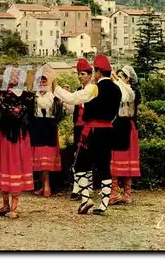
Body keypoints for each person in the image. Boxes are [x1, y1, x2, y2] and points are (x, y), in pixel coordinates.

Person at [52, 55, 122, 215]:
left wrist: (55, 87)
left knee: (80, 166)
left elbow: (72, 98)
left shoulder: (94, 88)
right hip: (108, 130)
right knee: (104, 166)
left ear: (97, 73)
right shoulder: (117, 88)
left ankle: (86, 198)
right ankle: (104, 203)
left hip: (92, 132)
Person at [0, 68, 35, 218]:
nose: (14, 77)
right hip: (5, 136)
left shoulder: (28, 96)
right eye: (11, 75)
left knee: (17, 166)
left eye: (17, 75)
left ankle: (14, 207)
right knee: (5, 166)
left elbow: (30, 117)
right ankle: (5, 204)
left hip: (20, 136)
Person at [109, 65, 141, 205]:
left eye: (121, 77)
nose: (117, 80)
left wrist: (117, 81)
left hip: (127, 126)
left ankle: (127, 193)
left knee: (126, 161)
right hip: (116, 126)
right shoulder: (117, 91)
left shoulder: (133, 92)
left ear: (128, 79)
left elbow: (127, 97)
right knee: (113, 159)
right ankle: (114, 191)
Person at [64, 59, 94, 201]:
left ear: (89, 75)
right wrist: (65, 100)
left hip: (89, 128)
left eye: (82, 74)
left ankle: (86, 187)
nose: (80, 76)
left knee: (85, 156)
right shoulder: (78, 91)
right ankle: (78, 186)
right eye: (78, 74)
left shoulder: (93, 90)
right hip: (78, 126)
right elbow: (73, 109)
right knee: (77, 155)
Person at [30, 75, 61, 197]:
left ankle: (46, 186)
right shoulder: (36, 96)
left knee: (45, 159)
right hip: (37, 127)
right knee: (40, 159)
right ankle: (44, 186)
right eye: (40, 82)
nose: (42, 84)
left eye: (44, 82)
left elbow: (45, 104)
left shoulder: (51, 96)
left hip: (48, 127)